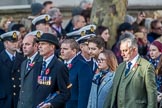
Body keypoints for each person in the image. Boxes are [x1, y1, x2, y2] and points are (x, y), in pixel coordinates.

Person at [103, 33, 157, 108]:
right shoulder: (120, 66)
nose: (122, 54)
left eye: (125, 50)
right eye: (121, 51)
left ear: (134, 49)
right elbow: (113, 90)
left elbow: (152, 94)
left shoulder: (146, 67)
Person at [33, 33, 71, 108]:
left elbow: (65, 93)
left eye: (43, 44)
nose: (39, 46)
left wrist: (51, 104)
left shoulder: (60, 66)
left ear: (52, 47)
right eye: (39, 44)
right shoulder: (37, 65)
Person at [60, 39, 93, 108]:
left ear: (74, 51)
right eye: (61, 49)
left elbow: (84, 94)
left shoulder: (82, 66)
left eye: (65, 49)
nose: (62, 51)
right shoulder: (60, 65)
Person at [17, 30, 43, 108]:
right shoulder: (24, 63)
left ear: (36, 46)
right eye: (23, 44)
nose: (24, 47)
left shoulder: (41, 61)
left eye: (27, 44)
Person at [0, 31, 24, 108]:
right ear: (6, 43)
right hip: (4, 100)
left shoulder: (22, 59)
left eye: (16, 41)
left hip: (19, 100)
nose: (15, 44)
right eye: (12, 42)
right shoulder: (0, 59)